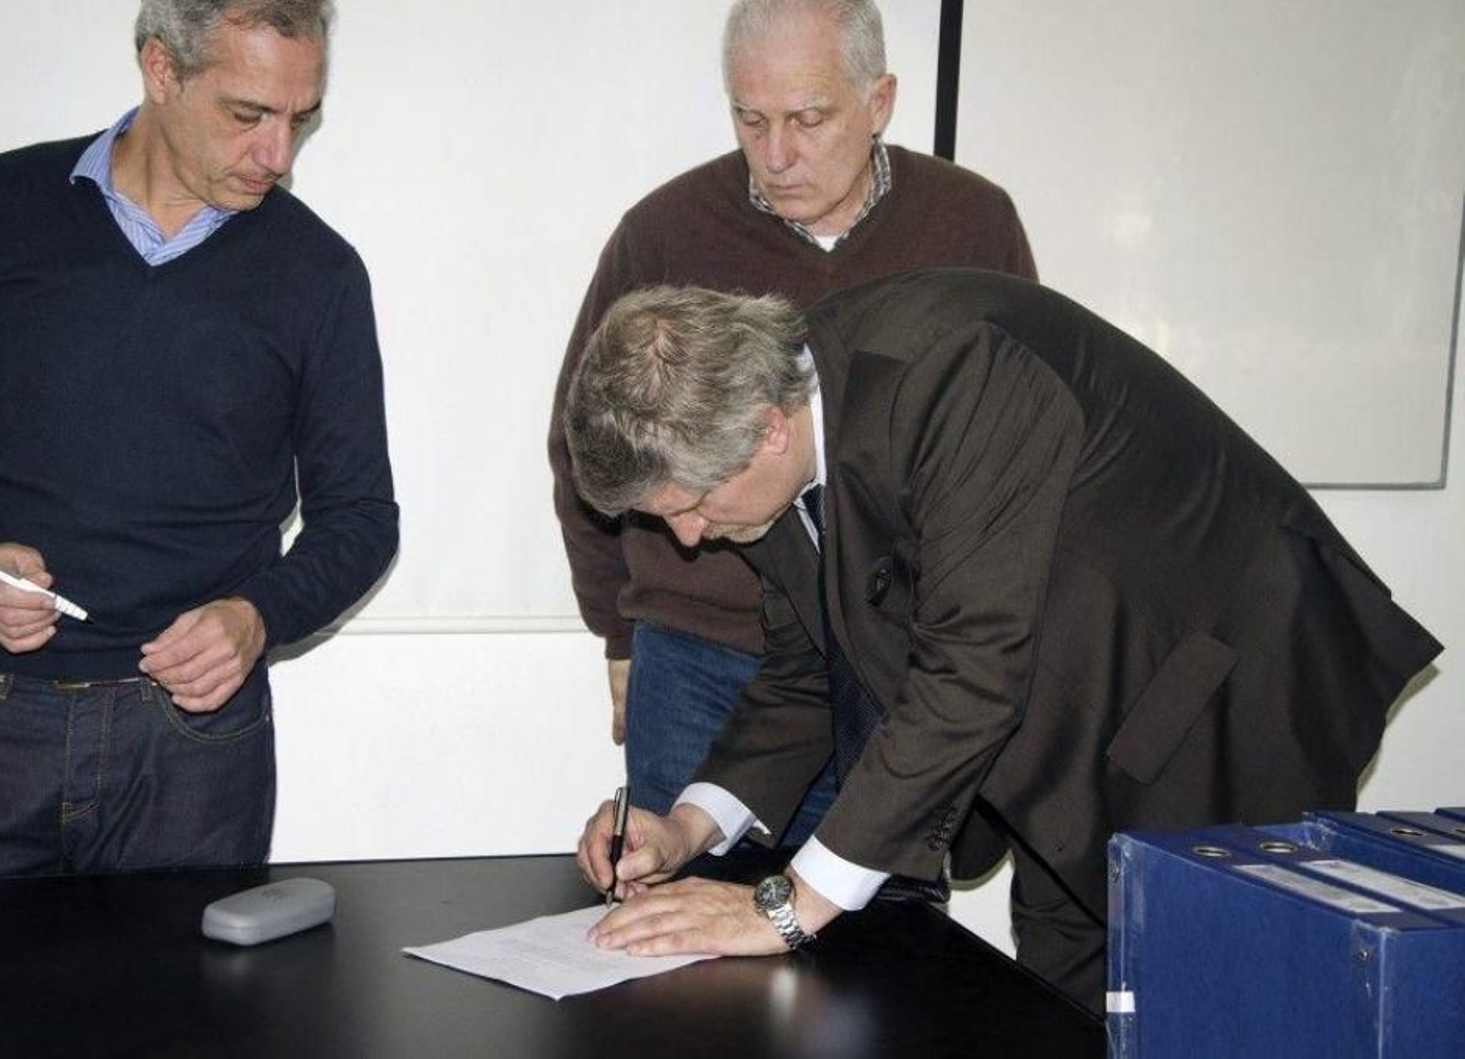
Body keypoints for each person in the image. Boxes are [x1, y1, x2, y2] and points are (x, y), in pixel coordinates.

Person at [566, 272, 1442, 1012]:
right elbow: (809, 663)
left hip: (1221, 696)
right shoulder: (781, 432)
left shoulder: (953, 371)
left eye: (687, 504)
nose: (686, 537)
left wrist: (786, 907)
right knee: (1063, 1007)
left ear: (768, 427)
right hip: (1072, 724)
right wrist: (686, 826)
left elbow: (970, 672)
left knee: (1225, 1004)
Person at [0, 0, 398, 879]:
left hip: (193, 741)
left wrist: (255, 617)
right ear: (160, 69)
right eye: (247, 114)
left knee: (185, 1020)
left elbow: (362, 517)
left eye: (301, 119)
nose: (279, 155)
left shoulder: (320, 274)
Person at [548, 0, 1035, 845]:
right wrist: (618, 632)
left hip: (893, 660)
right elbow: (586, 446)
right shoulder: (663, 233)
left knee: (883, 935)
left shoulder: (973, 225)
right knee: (676, 920)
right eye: (751, 119)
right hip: (694, 654)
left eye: (809, 119)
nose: (776, 157)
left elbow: (1020, 445)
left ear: (878, 102)